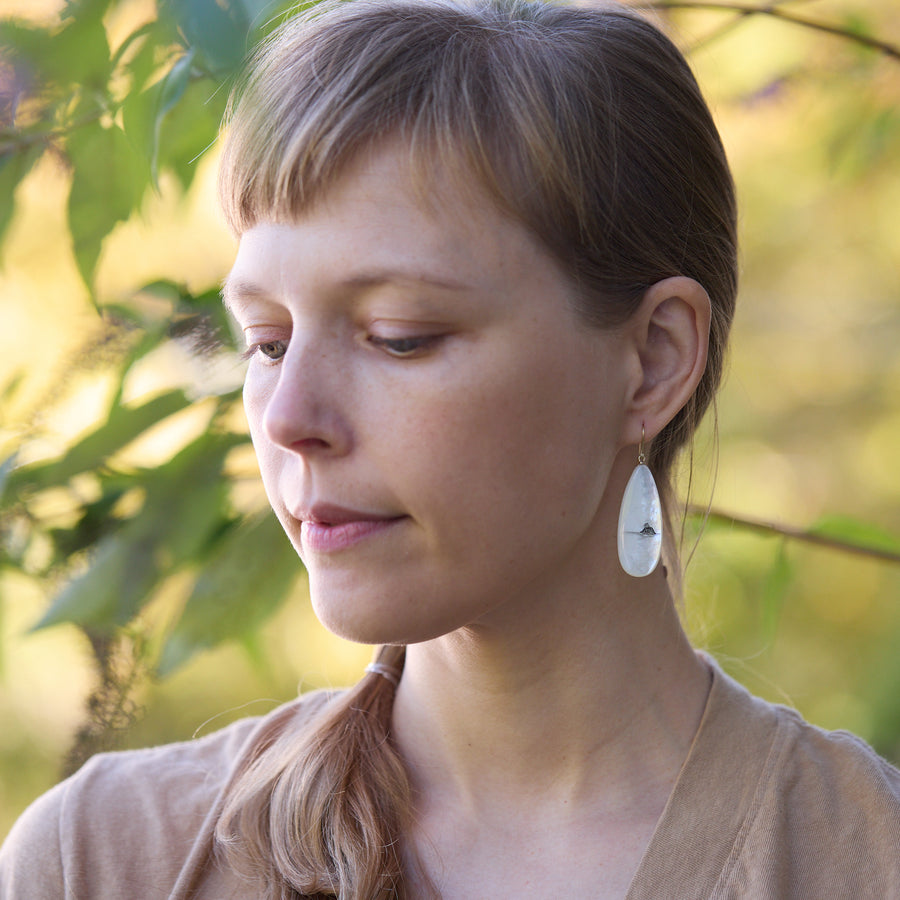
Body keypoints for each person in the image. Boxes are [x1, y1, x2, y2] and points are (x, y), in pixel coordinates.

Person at [2, 0, 899, 897]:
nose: (289, 417)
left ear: (654, 360)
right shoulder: (107, 860)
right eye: (268, 341)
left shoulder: (858, 858)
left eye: (399, 336)